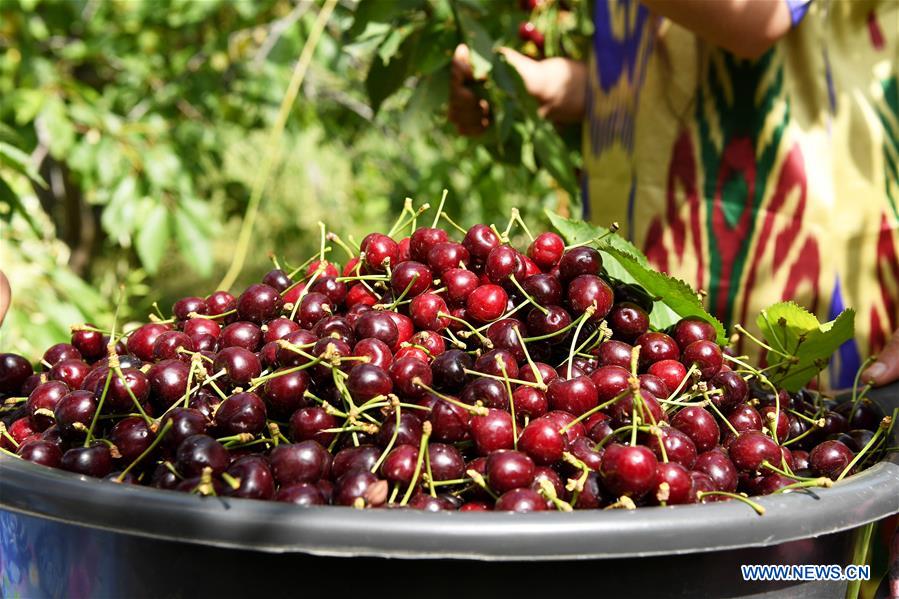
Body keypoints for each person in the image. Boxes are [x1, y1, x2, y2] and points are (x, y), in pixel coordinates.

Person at [449, 0, 899, 389]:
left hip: (799, 270)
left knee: (802, 443)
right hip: (636, 282)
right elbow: (673, 69)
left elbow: (757, 18)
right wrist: (559, 86)